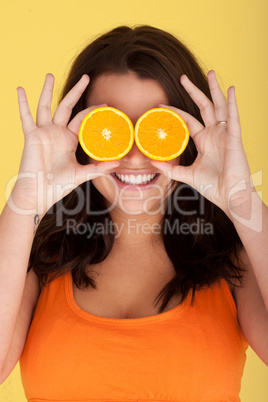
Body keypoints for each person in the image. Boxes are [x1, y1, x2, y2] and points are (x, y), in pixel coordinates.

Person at [0, 25, 267, 401]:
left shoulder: (236, 261)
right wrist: (25, 200)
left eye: (158, 128)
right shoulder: (34, 261)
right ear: (78, 140)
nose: (136, 156)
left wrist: (242, 202)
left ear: (191, 139)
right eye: (111, 128)